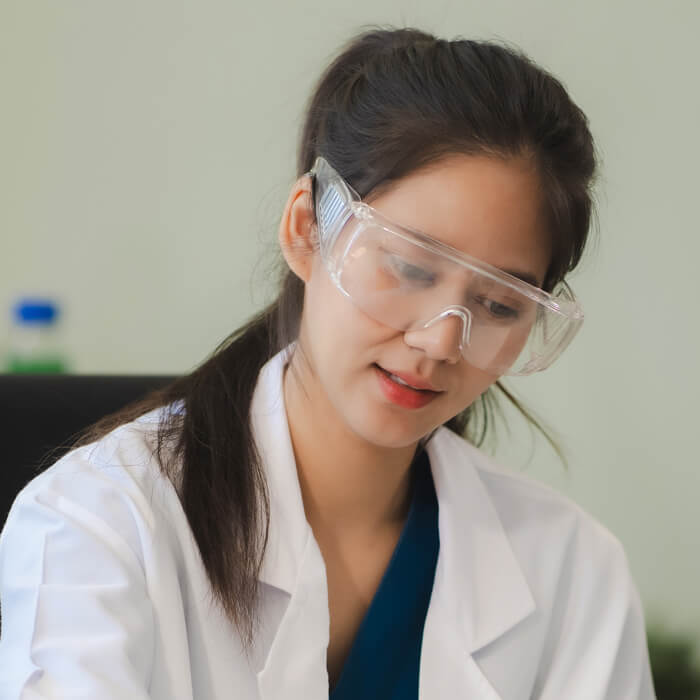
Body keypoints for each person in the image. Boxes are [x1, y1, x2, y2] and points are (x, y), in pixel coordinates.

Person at [0, 27, 655, 700]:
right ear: (306, 229)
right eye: (408, 267)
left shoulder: (574, 572)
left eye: (498, 305)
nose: (440, 341)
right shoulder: (100, 523)